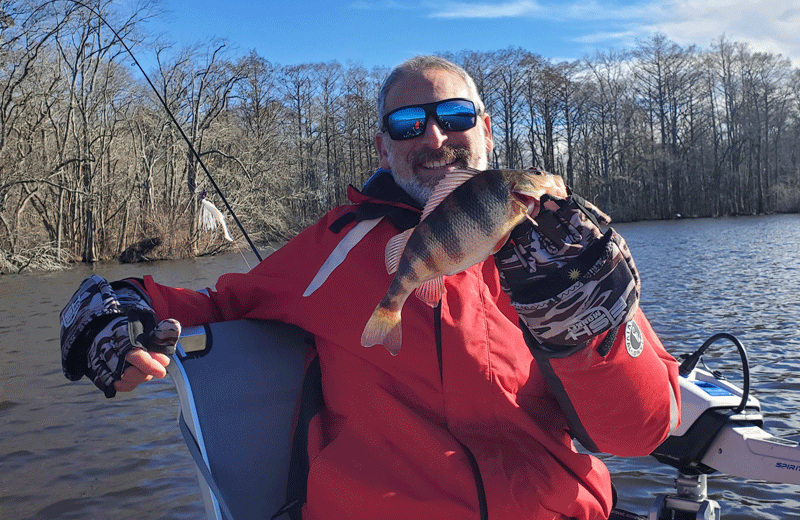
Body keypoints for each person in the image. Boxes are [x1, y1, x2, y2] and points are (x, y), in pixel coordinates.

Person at [60, 56, 680, 520]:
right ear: (384, 145)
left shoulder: (557, 247)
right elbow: (215, 304)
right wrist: (111, 309)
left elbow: (639, 431)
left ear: (486, 130)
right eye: (408, 123)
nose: (434, 138)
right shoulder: (334, 247)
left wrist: (592, 330)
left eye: (455, 117)